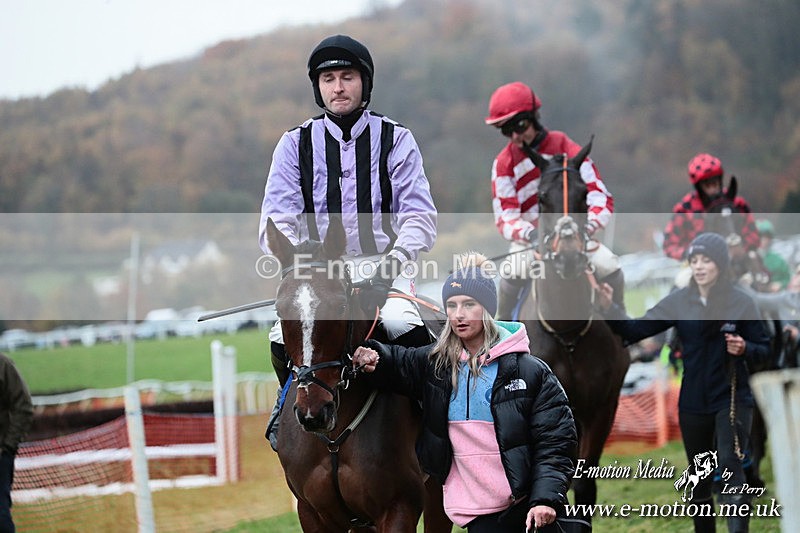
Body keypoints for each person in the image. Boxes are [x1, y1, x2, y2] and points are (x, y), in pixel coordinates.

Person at [258, 34, 437, 450]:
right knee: (278, 336)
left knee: (401, 324)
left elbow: (419, 215)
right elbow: (276, 218)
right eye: (328, 79)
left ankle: (436, 433)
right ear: (318, 88)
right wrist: (303, 266)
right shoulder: (293, 144)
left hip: (384, 264)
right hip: (318, 269)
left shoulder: (396, 138)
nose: (338, 87)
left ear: (364, 83)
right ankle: (290, 421)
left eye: (347, 77)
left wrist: (387, 269)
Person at [352, 253, 577, 532]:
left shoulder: (531, 372)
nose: (459, 314)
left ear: (487, 309)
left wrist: (545, 500)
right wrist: (375, 357)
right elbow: (400, 361)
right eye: (451, 305)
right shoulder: (436, 366)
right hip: (477, 515)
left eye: (469, 304)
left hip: (530, 511)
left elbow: (556, 442)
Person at [597, 233, 770, 533]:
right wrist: (609, 306)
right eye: (695, 261)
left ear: (721, 264)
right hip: (692, 403)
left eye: (707, 260)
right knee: (700, 478)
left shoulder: (741, 301)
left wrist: (745, 348)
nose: (700, 266)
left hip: (731, 399)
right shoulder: (679, 301)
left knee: (730, 468)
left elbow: (765, 349)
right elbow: (635, 329)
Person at [484, 81, 625, 319]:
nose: (516, 136)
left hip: (576, 235)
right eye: (507, 131)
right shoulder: (503, 163)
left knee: (609, 265)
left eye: (520, 125)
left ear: (534, 117)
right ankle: (503, 336)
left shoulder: (563, 145)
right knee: (512, 271)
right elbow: (506, 217)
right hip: (532, 239)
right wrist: (530, 234)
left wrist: (587, 227)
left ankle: (623, 331)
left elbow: (600, 196)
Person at [663, 153, 760, 263]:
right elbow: (669, 245)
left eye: (715, 183)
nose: (713, 189)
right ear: (699, 186)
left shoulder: (737, 203)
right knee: (683, 279)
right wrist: (690, 254)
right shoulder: (685, 208)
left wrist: (743, 249)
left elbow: (753, 234)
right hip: (698, 266)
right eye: (707, 185)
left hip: (736, 261)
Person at [0, 352, 33, 533]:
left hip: (0, 457)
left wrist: (8, 447)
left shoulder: (3, 365)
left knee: (1, 520)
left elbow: (23, 407)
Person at [755, 219, 791, 291]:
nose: (762, 240)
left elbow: (789, 278)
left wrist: (780, 284)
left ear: (770, 239)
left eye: (765, 237)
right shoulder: (745, 257)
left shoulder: (777, 259)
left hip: (773, 297)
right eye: (759, 236)